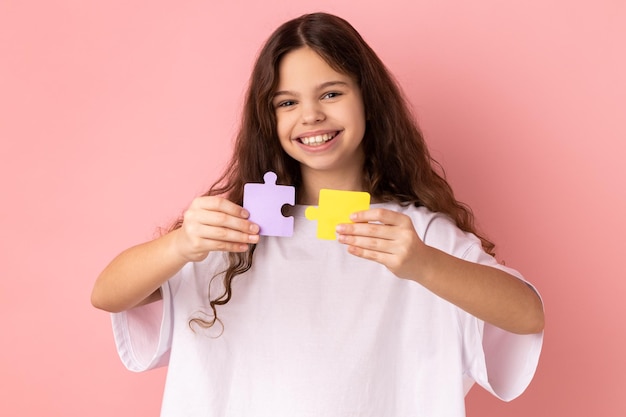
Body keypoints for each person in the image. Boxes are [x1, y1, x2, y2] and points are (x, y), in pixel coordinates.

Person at [92, 12, 544, 417]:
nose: (310, 115)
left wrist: (424, 264)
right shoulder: (232, 229)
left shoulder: (414, 235)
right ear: (268, 120)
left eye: (330, 93)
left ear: (368, 100)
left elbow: (527, 315)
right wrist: (180, 244)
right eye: (287, 102)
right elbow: (108, 294)